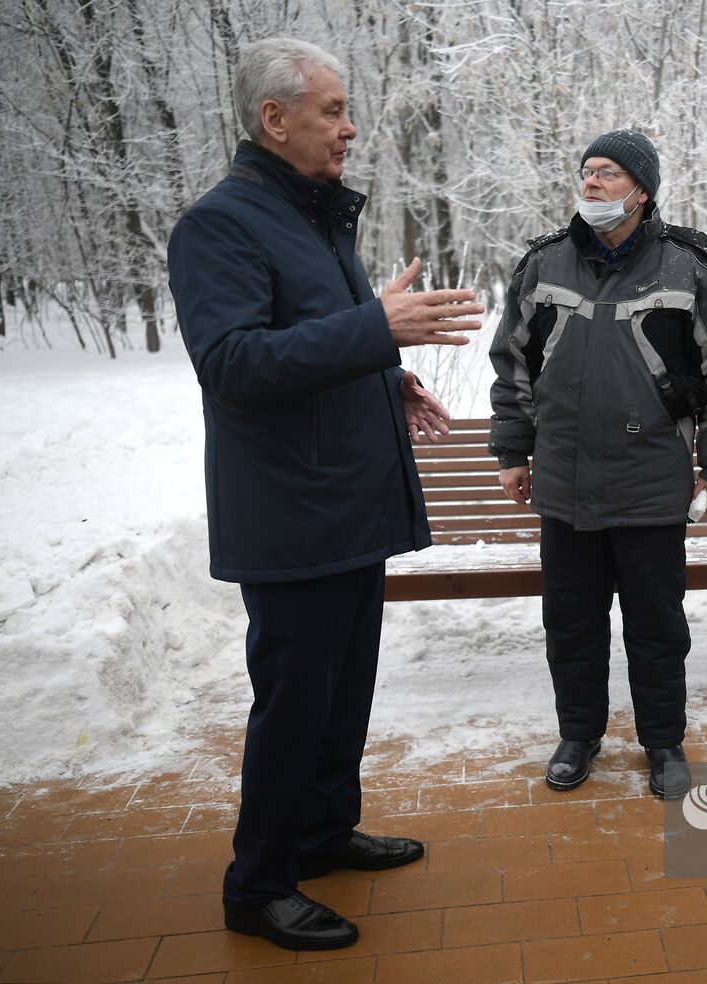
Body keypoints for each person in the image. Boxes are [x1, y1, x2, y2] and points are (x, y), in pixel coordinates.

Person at [167, 37, 484, 951]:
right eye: (333, 111)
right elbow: (231, 364)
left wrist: (389, 378)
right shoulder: (220, 225)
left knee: (344, 691)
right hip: (291, 516)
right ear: (275, 119)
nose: (351, 128)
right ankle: (259, 883)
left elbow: (324, 340)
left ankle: (321, 831)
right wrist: (375, 328)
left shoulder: (312, 220)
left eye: (348, 111)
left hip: (348, 503)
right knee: (294, 702)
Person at [488, 129, 707, 800]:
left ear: (641, 190)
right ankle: (578, 735)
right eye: (586, 172)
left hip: (650, 488)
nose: (592, 184)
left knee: (657, 628)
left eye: (608, 173)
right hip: (564, 488)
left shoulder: (688, 266)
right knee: (571, 627)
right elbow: (512, 365)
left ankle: (663, 743)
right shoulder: (543, 265)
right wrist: (512, 450)